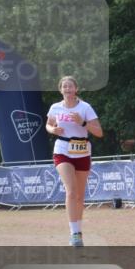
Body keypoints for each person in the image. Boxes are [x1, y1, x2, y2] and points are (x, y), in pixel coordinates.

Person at [46, 76, 103, 247]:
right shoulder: (55, 107)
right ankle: (74, 234)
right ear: (60, 90)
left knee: (79, 195)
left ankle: (79, 229)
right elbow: (48, 125)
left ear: (76, 89)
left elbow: (99, 132)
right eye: (65, 87)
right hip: (62, 149)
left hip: (82, 151)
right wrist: (53, 129)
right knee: (70, 191)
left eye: (71, 87)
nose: (68, 89)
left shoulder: (85, 108)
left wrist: (83, 122)